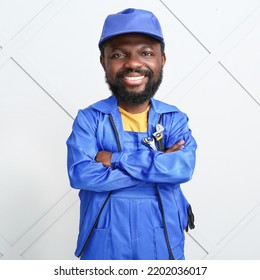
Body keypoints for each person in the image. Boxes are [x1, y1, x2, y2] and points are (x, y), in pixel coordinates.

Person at [66, 8, 197, 260]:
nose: (134, 63)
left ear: (162, 59)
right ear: (103, 61)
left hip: (163, 240)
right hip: (104, 242)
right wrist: (158, 168)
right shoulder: (89, 119)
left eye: (146, 53)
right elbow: (81, 175)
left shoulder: (174, 120)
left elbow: (181, 168)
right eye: (118, 54)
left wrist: (115, 159)